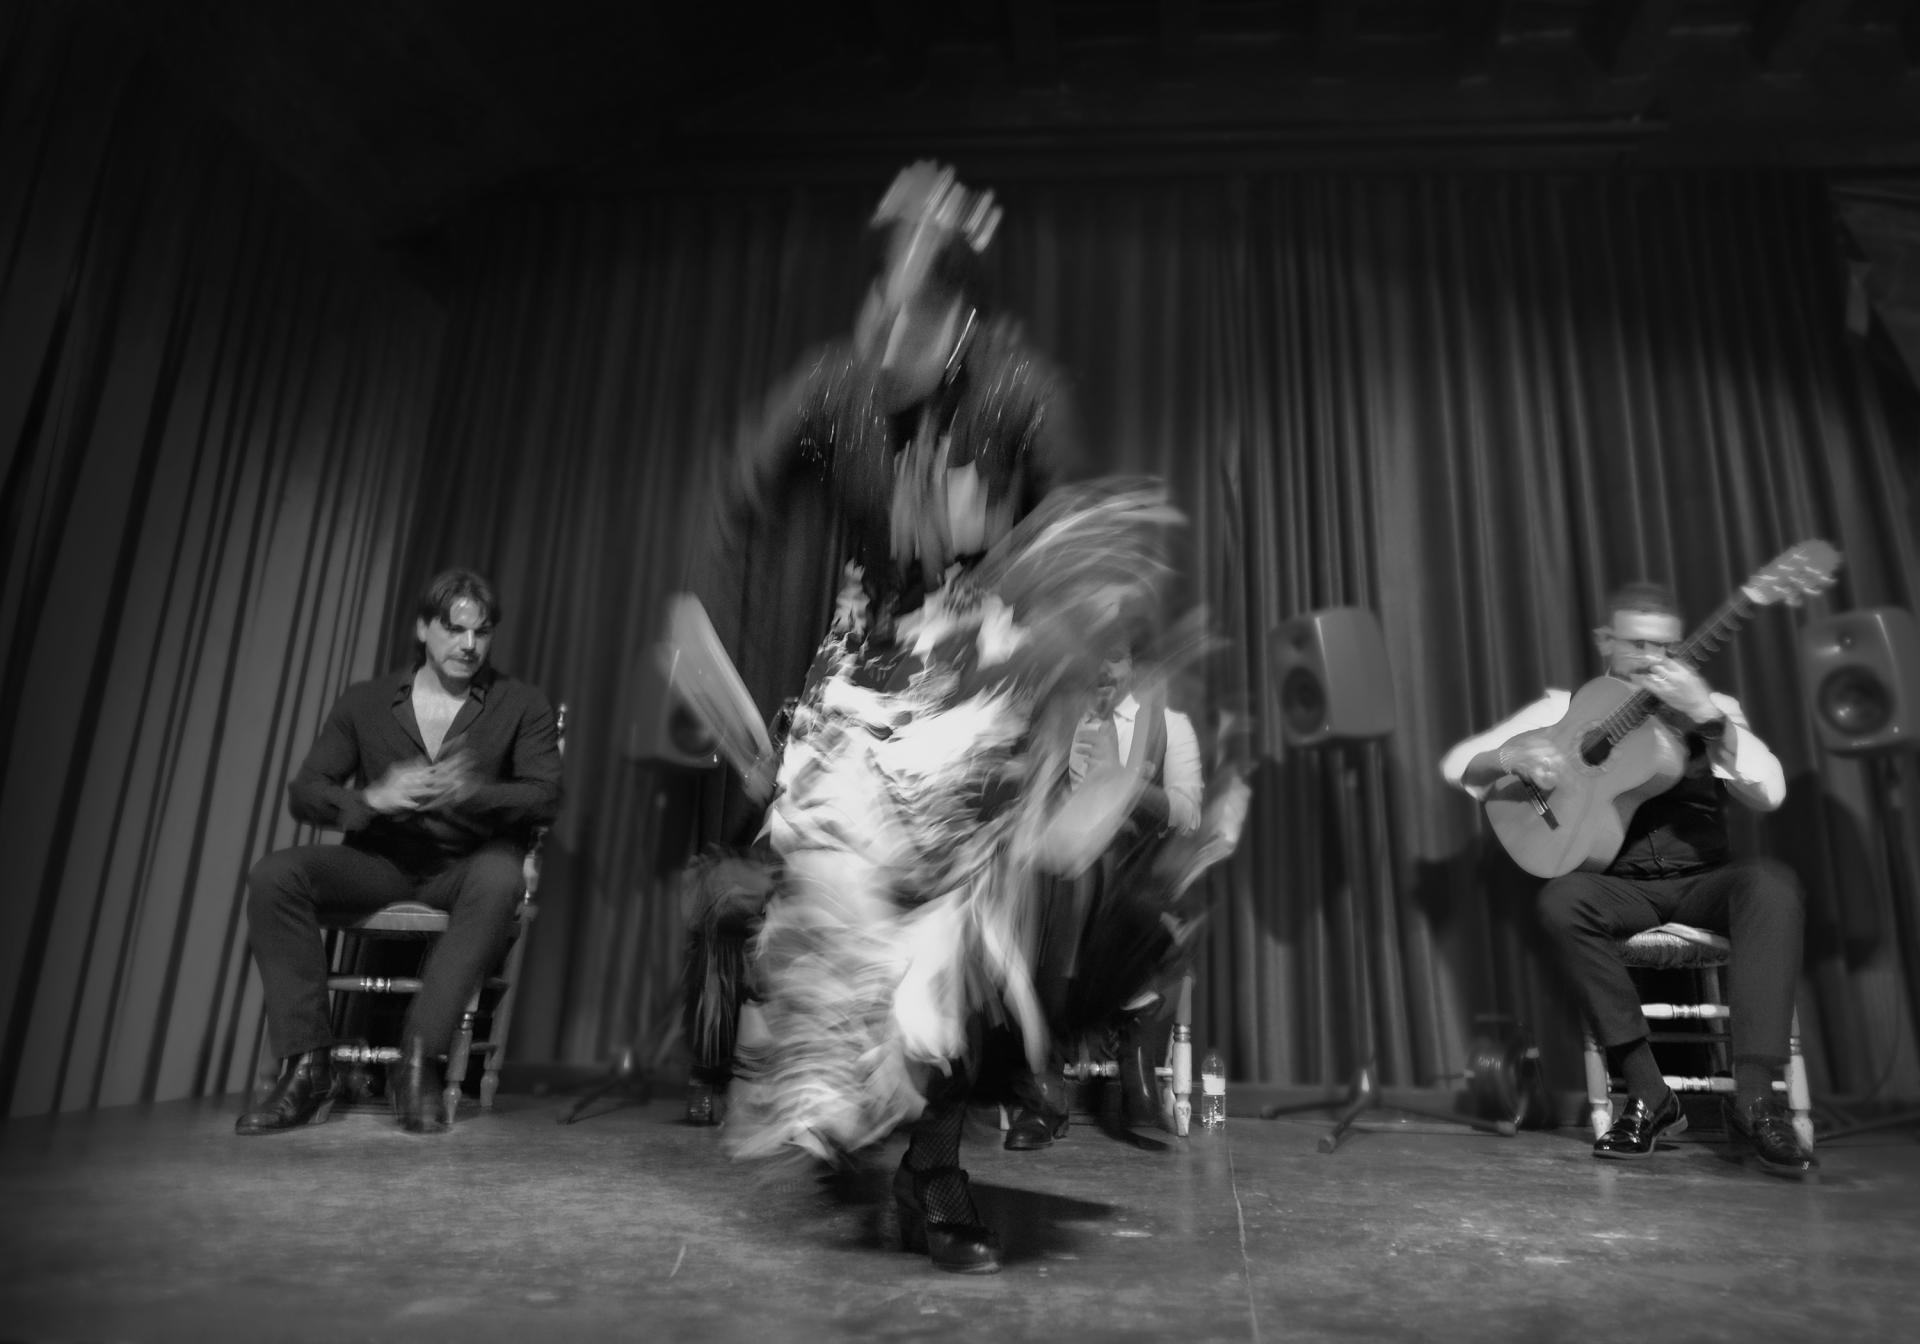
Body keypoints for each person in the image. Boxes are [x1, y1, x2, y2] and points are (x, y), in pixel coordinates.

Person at [688, 161, 1182, 1274]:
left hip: (983, 675)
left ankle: (934, 1166)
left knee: (969, 931)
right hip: (861, 678)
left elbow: (1085, 555)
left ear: (954, 319)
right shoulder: (835, 384)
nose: (885, 340)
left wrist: (1083, 732)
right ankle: (847, 1115)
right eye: (877, 309)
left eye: (910, 320)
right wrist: (706, 639)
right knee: (844, 901)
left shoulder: (1013, 387)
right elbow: (738, 500)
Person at [1439, 580, 1814, 1176]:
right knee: (1561, 901)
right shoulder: (1564, 708)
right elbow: (1462, 766)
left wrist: (1709, 719)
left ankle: (1755, 1100)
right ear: (1605, 641)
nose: (1653, 660)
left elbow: (1769, 791)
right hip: (1623, 887)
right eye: (1637, 644)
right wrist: (1510, 757)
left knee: (1771, 885)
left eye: (1665, 647)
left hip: (1702, 881)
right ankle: (1648, 1092)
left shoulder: (1710, 711)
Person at [238, 568, 563, 1137]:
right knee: (275, 876)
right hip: (379, 864)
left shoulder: (520, 704)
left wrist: (475, 794)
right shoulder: (366, 702)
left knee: (499, 878)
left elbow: (546, 795)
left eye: (481, 632)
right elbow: (306, 792)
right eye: (454, 629)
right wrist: (371, 797)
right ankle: (309, 1066)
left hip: (463, 866)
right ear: (423, 629)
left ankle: (418, 1062)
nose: (468, 645)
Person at [1000, 637, 1204, 1150]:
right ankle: (1045, 1087)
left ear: (1133, 663)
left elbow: (1188, 812)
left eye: (1111, 657)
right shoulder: (1067, 720)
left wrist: (1126, 784)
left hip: (1139, 876)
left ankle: (1076, 1069)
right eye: (1093, 657)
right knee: (1036, 885)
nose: (1100, 670)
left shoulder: (1169, 725)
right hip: (1067, 878)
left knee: (1077, 886)